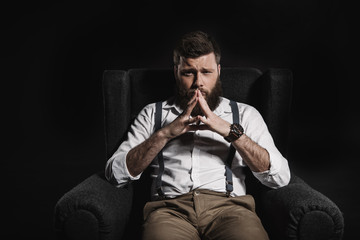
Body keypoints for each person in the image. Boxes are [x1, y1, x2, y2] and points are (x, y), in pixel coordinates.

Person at [105, 31, 291, 240]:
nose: (198, 82)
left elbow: (280, 178)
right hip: (169, 211)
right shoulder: (152, 113)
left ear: (218, 71)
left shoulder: (245, 114)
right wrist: (164, 134)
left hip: (231, 210)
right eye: (188, 73)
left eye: (206, 72)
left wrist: (232, 132)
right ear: (176, 72)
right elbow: (115, 174)